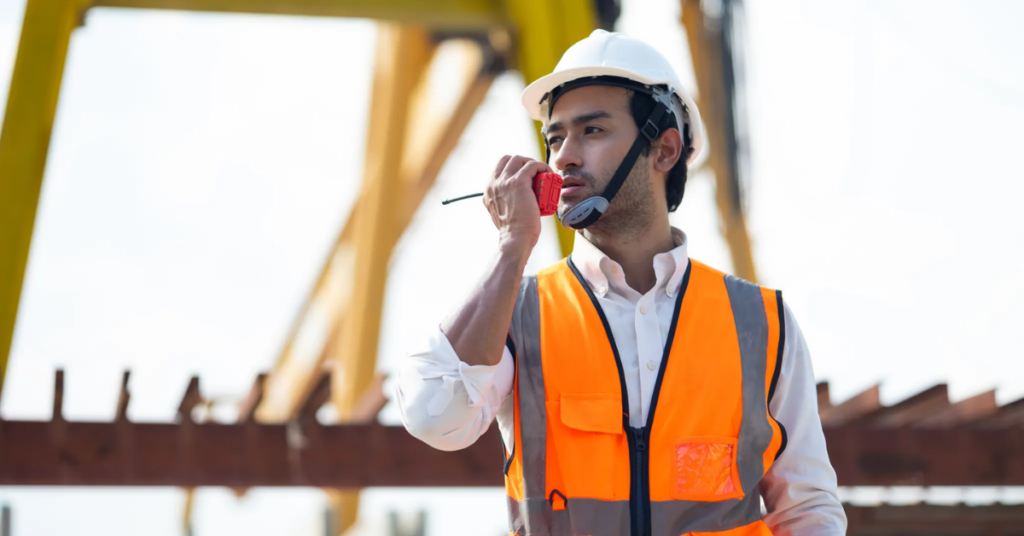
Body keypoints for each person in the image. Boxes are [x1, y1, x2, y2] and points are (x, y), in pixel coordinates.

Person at [395, 29, 846, 536]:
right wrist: (511, 248)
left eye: (591, 131)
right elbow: (435, 417)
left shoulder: (761, 323)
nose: (563, 156)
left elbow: (807, 510)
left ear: (665, 149)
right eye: (555, 137)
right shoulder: (519, 312)